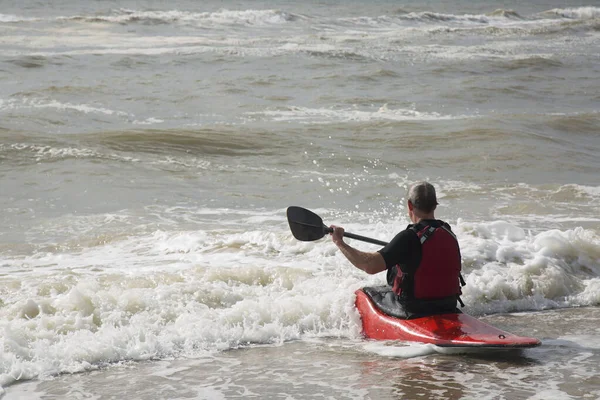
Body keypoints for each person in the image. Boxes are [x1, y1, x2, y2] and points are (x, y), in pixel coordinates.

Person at [330, 181, 464, 318]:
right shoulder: (448, 232)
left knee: (362, 294)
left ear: (410, 205)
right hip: (448, 304)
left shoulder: (408, 238)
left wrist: (339, 242)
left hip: (416, 308)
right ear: (435, 205)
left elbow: (369, 265)